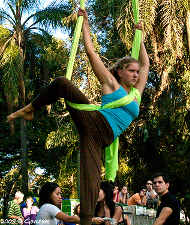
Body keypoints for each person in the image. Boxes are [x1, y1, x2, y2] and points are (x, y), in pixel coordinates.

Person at [6, 6, 149, 225]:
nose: (136, 75)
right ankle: (29, 110)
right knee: (63, 83)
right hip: (94, 121)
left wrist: (140, 38)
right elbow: (91, 52)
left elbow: (146, 63)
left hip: (102, 138)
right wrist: (85, 24)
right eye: (131, 71)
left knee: (92, 181)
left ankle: (85, 222)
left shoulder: (136, 94)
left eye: (137, 73)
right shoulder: (111, 84)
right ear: (120, 72)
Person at [36, 182, 103, 225]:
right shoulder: (48, 207)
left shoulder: (45, 207)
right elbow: (70, 219)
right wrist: (93, 220)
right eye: (57, 194)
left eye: (60, 194)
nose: (60, 197)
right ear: (48, 195)